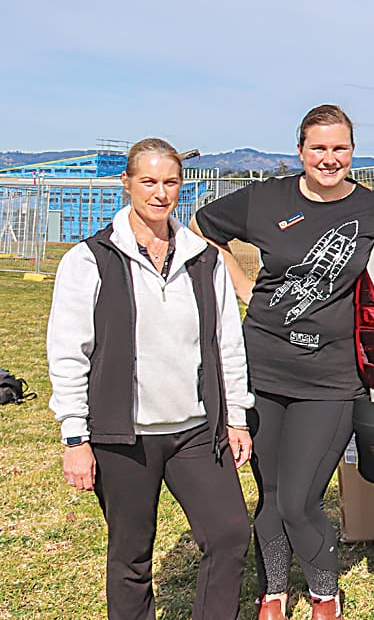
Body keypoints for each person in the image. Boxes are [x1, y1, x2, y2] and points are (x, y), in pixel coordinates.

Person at [193, 105, 374, 620]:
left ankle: (324, 594)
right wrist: (242, 286)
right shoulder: (267, 199)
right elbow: (202, 227)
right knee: (268, 493)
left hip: (330, 377)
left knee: (298, 499)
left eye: (340, 149)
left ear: (352, 151)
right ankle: (273, 593)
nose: (329, 159)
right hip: (262, 365)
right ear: (301, 150)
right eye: (319, 148)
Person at [47, 137, 254, 620]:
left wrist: (237, 418)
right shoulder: (89, 260)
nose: (160, 193)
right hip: (124, 437)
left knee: (228, 535)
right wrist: (74, 436)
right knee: (131, 554)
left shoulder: (204, 259)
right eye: (149, 181)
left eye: (170, 181)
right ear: (127, 183)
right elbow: (69, 353)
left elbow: (228, 342)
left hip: (196, 432)